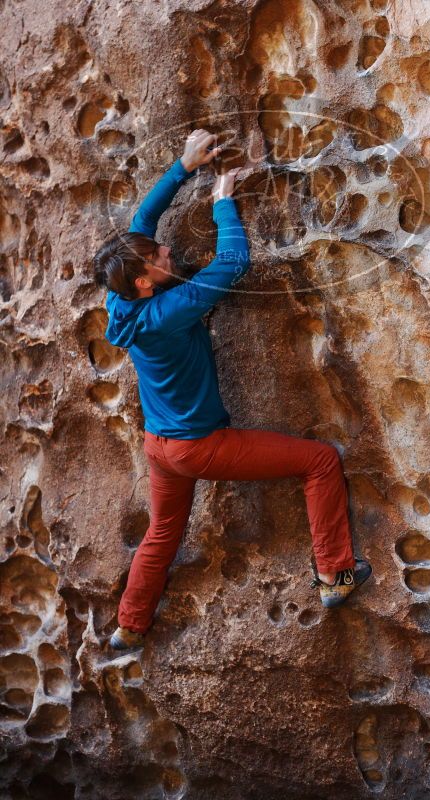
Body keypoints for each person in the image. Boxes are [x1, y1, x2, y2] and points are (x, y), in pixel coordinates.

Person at [93, 129, 372, 651]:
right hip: (201, 448)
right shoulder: (168, 312)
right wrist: (223, 200)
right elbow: (232, 266)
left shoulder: (121, 303)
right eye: (159, 255)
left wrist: (182, 166)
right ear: (146, 283)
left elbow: (140, 225)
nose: (167, 248)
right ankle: (335, 575)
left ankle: (129, 626)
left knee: (161, 535)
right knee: (319, 462)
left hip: (161, 448)